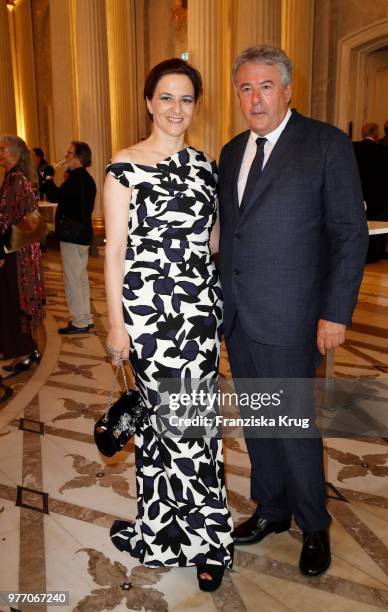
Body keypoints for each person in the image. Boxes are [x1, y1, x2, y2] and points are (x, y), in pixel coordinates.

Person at [218, 45, 368, 577]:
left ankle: (314, 522)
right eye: (244, 88)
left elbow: (350, 234)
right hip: (239, 316)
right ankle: (273, 509)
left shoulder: (325, 144)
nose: (254, 98)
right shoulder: (231, 151)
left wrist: (335, 312)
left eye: (264, 87)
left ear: (287, 90)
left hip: (293, 316)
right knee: (259, 422)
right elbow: (230, 235)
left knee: (294, 424)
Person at [103, 58, 233, 591]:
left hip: (197, 316)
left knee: (195, 429)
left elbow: (215, 241)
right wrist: (117, 326)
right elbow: (113, 253)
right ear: (149, 102)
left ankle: (210, 541)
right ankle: (159, 533)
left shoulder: (206, 167)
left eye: (186, 99)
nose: (176, 109)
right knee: (160, 428)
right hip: (148, 319)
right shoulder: (123, 166)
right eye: (166, 97)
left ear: (195, 105)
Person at [40, 141, 96, 334]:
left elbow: (55, 196)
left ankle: (80, 321)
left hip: (73, 235)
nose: (65, 156)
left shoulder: (76, 179)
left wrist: (48, 178)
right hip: (83, 234)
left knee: (73, 279)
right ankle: (86, 318)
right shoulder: (86, 179)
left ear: (79, 157)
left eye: (69, 153)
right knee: (80, 278)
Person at [0, 135, 45, 373]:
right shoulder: (12, 177)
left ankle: (26, 351)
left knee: (16, 300)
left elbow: (9, 219)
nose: (0, 153)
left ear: (16, 153)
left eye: (3, 149)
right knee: (11, 300)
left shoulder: (17, 179)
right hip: (15, 248)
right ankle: (24, 350)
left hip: (16, 252)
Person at [353, 122, 388, 262]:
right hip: (378, 195)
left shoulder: (353, 148)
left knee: (359, 226)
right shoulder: (384, 151)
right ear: (376, 134)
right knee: (376, 226)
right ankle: (374, 254)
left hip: (357, 193)